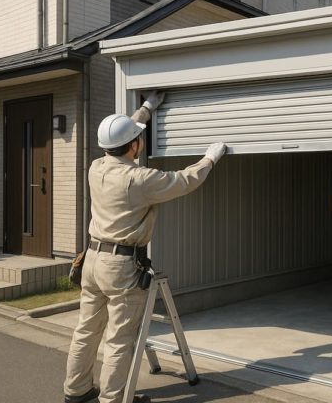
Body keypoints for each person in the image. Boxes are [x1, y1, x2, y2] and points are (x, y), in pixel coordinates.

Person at [63, 91, 227, 403]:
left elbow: (121, 137)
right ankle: (113, 399)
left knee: (86, 330)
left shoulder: (96, 167)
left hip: (93, 260)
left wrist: (147, 109)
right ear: (134, 146)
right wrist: (210, 158)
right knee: (120, 338)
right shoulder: (139, 179)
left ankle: (76, 391)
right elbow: (184, 180)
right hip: (121, 268)